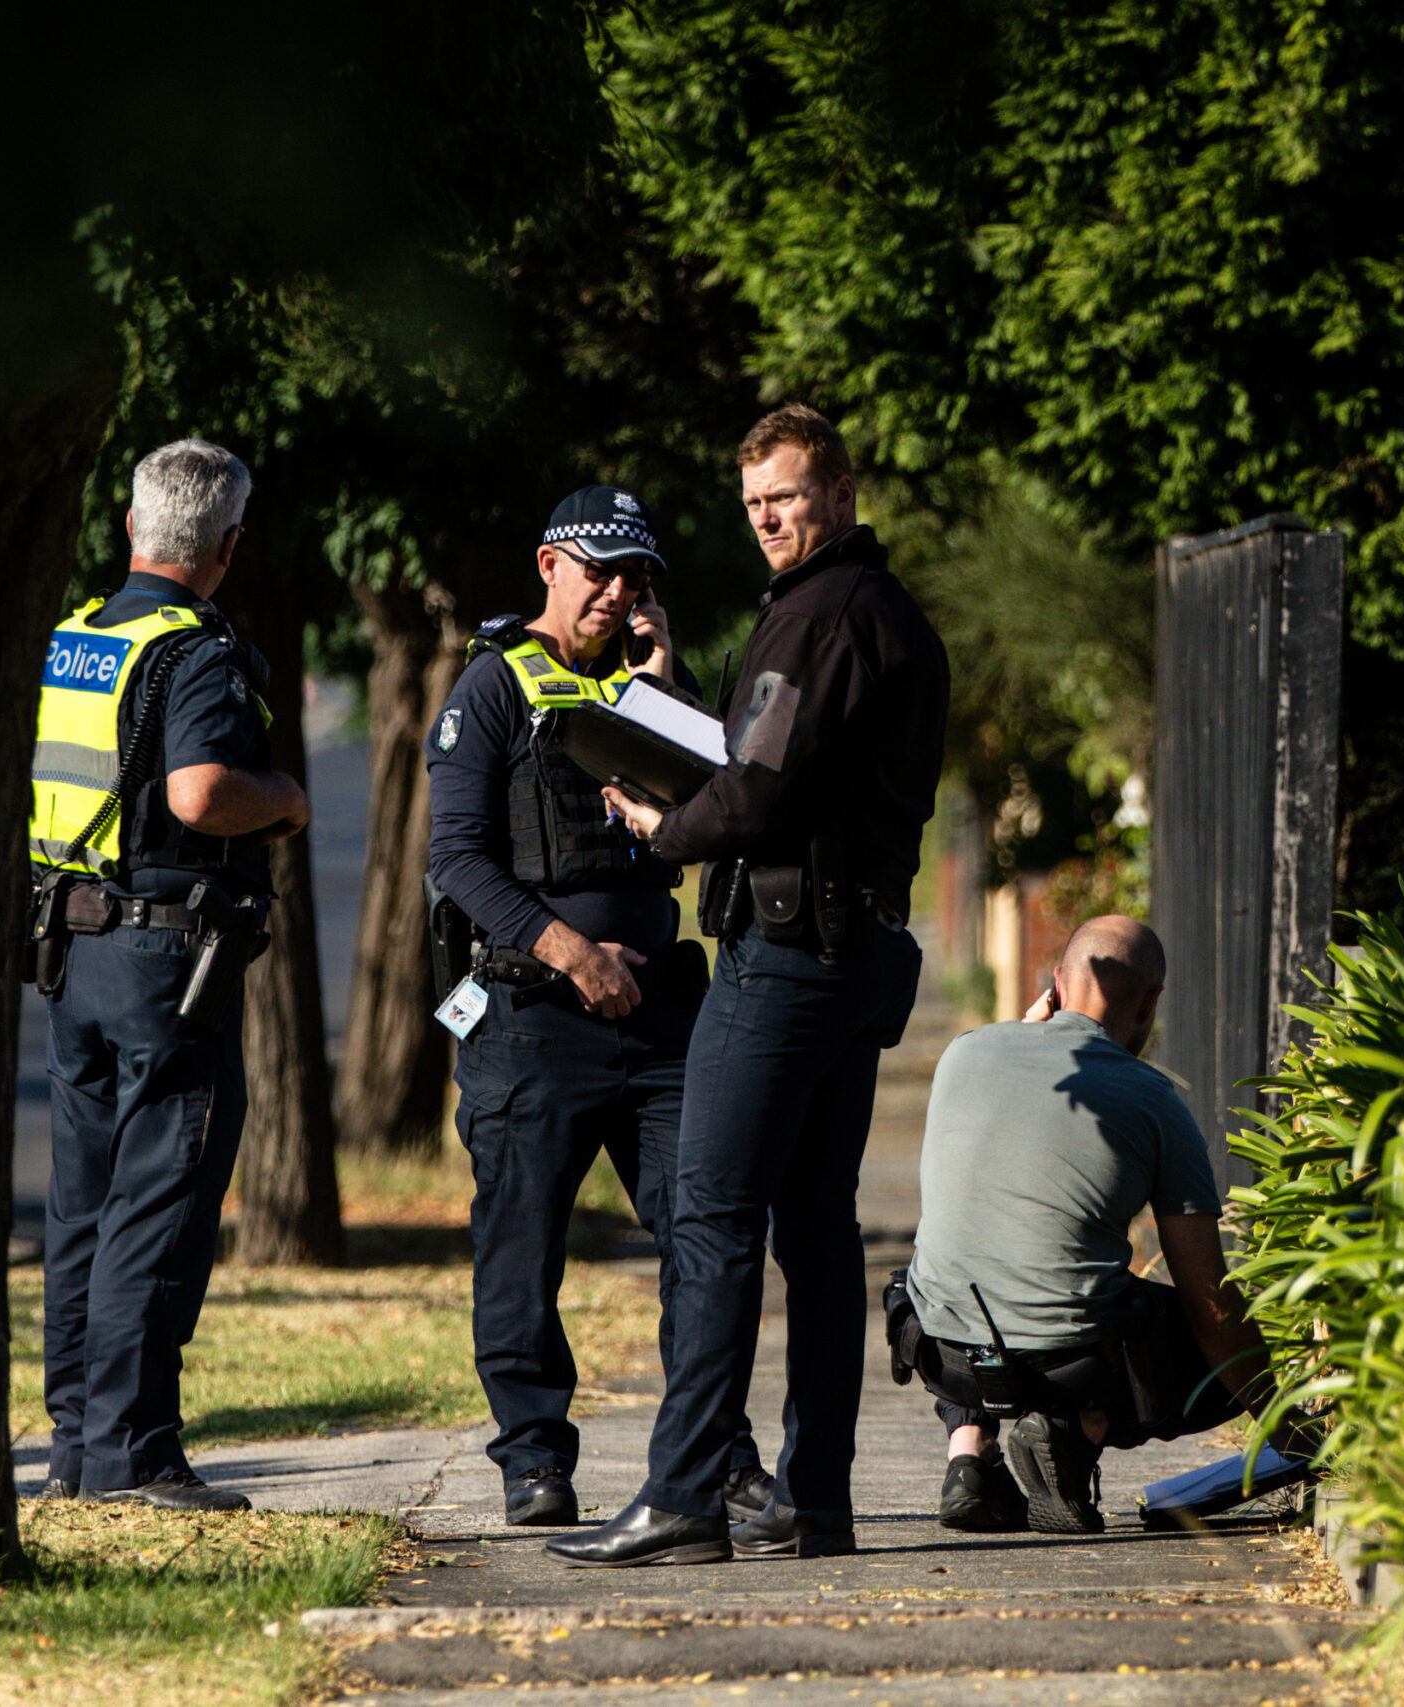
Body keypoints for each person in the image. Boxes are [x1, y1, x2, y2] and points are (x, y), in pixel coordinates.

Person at [547, 404, 950, 1566]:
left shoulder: (817, 616)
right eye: (753, 506)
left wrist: (665, 830)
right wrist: (680, 724)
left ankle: (680, 1495)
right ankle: (814, 1495)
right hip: (857, 950)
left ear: (840, 490)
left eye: (784, 497)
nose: (768, 520)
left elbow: (758, 791)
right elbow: (787, 769)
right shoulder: (891, 618)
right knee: (817, 1226)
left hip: (784, 956)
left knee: (712, 1213)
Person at [422, 485, 771, 1526]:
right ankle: (534, 1458)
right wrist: (572, 953)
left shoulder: (652, 682)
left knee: (703, 1234)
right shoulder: (491, 688)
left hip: (659, 1013)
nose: (618, 594)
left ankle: (718, 1454)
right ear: (548, 566)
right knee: (522, 1245)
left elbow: (722, 807)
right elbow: (456, 859)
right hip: (533, 1014)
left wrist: (665, 688)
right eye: (601, 571)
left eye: (636, 578)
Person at [28, 438, 310, 1512]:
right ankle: (135, 1454)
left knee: (83, 1207)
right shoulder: (199, 651)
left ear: (135, 526)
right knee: (160, 1203)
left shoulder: (76, 636)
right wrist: (282, 796)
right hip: (162, 960)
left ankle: (71, 1451)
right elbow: (199, 795)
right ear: (227, 545)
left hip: (75, 946)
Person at [894, 915, 1310, 1534]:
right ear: (1150, 1005)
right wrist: (1294, 1434)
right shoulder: (1154, 1100)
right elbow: (1210, 1307)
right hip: (1071, 1366)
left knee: (965, 1260)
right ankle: (1078, 1428)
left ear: (1054, 985)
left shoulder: (964, 1054)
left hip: (940, 1350)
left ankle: (969, 1452)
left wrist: (1027, 1029)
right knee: (1215, 1348)